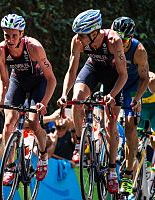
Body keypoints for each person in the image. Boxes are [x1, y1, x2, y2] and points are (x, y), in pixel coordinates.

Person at [57, 9, 127, 193]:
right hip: (93, 68)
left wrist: (111, 95)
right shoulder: (77, 41)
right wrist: (64, 93)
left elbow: (123, 75)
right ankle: (80, 142)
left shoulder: (113, 41)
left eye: (82, 34)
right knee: (77, 99)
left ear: (94, 32)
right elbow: (72, 71)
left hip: (114, 76)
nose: (78, 38)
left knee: (111, 123)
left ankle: (112, 169)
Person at [0, 14, 56, 183]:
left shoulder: (34, 47)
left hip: (39, 82)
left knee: (34, 122)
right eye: (7, 35)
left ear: (22, 33)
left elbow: (51, 79)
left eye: (14, 35)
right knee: (8, 122)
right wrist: (0, 100)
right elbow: (4, 81)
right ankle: (11, 167)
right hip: (17, 81)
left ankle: (43, 154)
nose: (11, 39)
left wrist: (43, 103)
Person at [111, 16, 150, 195]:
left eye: (124, 39)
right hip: (113, 83)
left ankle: (127, 174)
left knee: (130, 126)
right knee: (106, 119)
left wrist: (137, 99)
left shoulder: (138, 51)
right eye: (117, 37)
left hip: (132, 88)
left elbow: (145, 78)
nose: (120, 42)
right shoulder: (108, 43)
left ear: (131, 37)